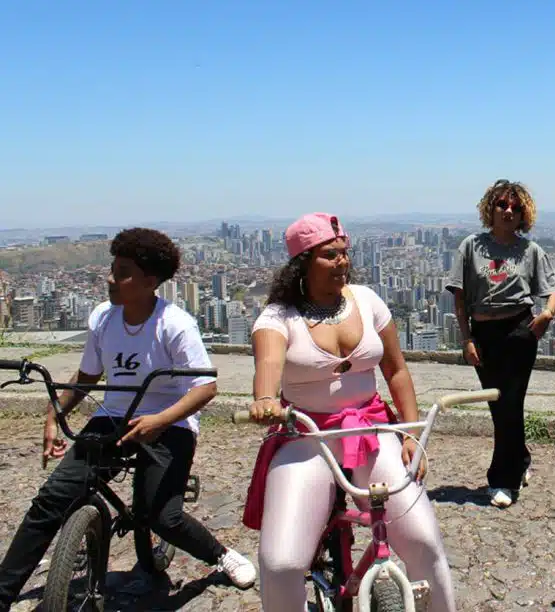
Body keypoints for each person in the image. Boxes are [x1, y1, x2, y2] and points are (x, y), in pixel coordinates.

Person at [0, 229, 256, 611]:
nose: (110, 279)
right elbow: (88, 376)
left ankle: (220, 554)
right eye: (113, 269)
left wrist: (160, 420)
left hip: (169, 422)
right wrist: (54, 414)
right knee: (50, 500)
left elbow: (205, 388)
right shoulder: (103, 318)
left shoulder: (175, 324)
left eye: (122, 273)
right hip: (113, 418)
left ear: (150, 282)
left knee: (163, 517)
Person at [247, 212, 455, 612]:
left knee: (425, 543)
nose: (342, 261)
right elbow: (268, 366)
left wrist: (411, 435)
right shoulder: (278, 317)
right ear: (302, 263)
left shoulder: (367, 300)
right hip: (308, 436)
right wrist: (265, 400)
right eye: (329, 254)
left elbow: (396, 371)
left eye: (344, 252)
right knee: (281, 563)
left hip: (370, 429)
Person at [446, 180, 555, 508]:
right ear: (490, 209)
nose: (508, 211)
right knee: (501, 407)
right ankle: (520, 459)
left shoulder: (530, 250)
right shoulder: (471, 247)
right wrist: (466, 338)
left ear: (524, 214)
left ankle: (502, 480)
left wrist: (547, 314)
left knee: (509, 403)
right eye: (502, 205)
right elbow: (459, 297)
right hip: (484, 334)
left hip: (519, 332)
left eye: (515, 207)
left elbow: (554, 288)